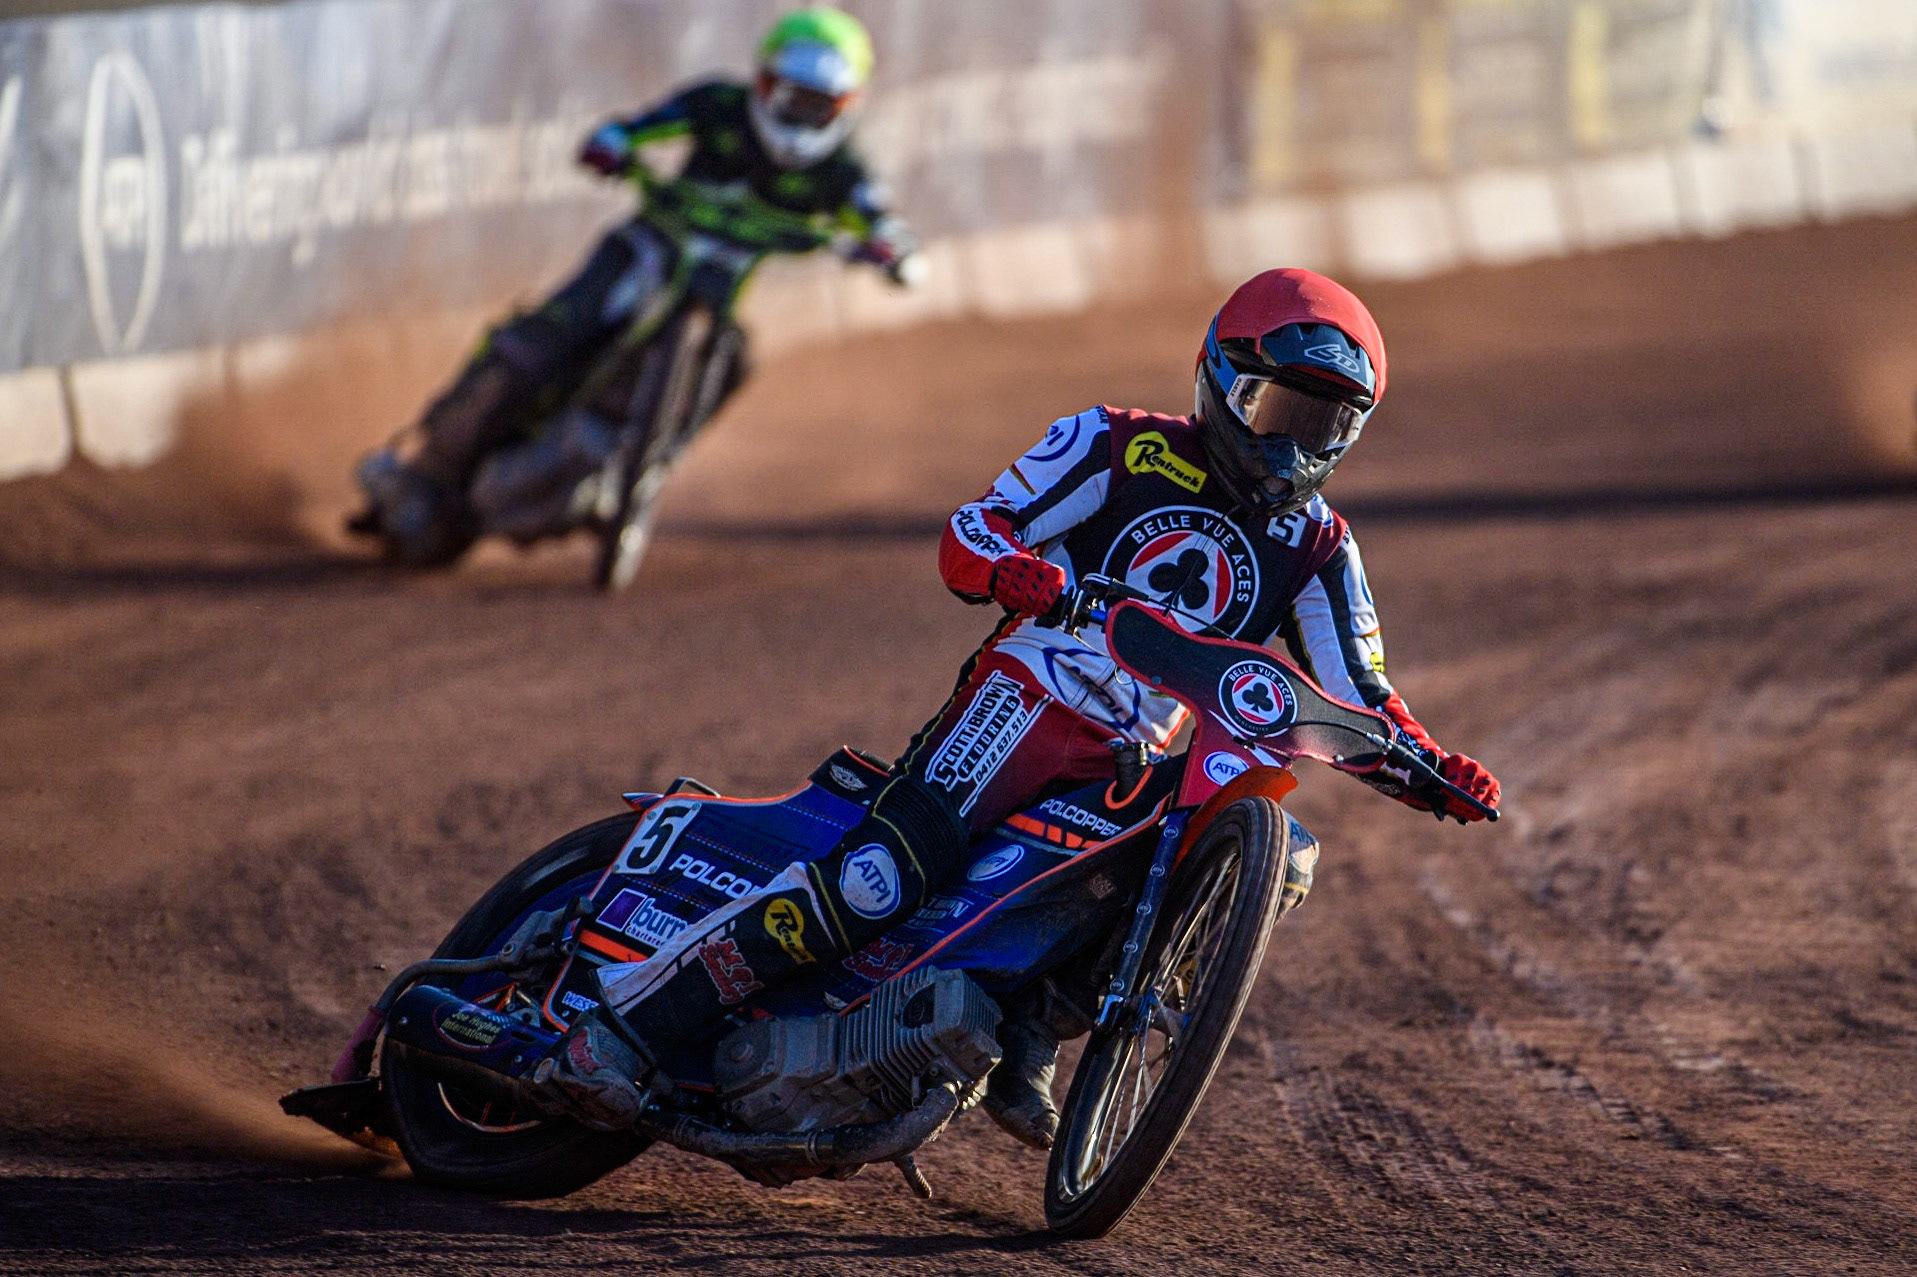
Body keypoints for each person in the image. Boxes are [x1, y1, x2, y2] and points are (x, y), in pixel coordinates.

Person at [537, 268, 1503, 1150]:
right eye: (1277, 407)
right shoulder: (1113, 442)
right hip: (1028, 698)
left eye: (1323, 426)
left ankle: (1025, 1030)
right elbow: (972, 530)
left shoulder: (1321, 547)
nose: (1292, 443)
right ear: (1218, 376)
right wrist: (1022, 572)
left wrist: (1434, 770)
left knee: (1229, 869)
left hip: (1146, 762)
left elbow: (1362, 699)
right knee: (878, 879)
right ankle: (619, 1030)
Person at [358, 7, 920, 562]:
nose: (801, 115)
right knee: (544, 338)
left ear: (848, 106)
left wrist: (890, 247)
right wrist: (613, 141)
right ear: (764, 82)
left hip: (715, 295)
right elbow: (639, 126)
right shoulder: (716, 107)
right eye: (792, 97)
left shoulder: (843, 171)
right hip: (646, 248)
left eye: (820, 105)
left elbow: (877, 216)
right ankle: (428, 468)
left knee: (733, 359)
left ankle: (640, 475)